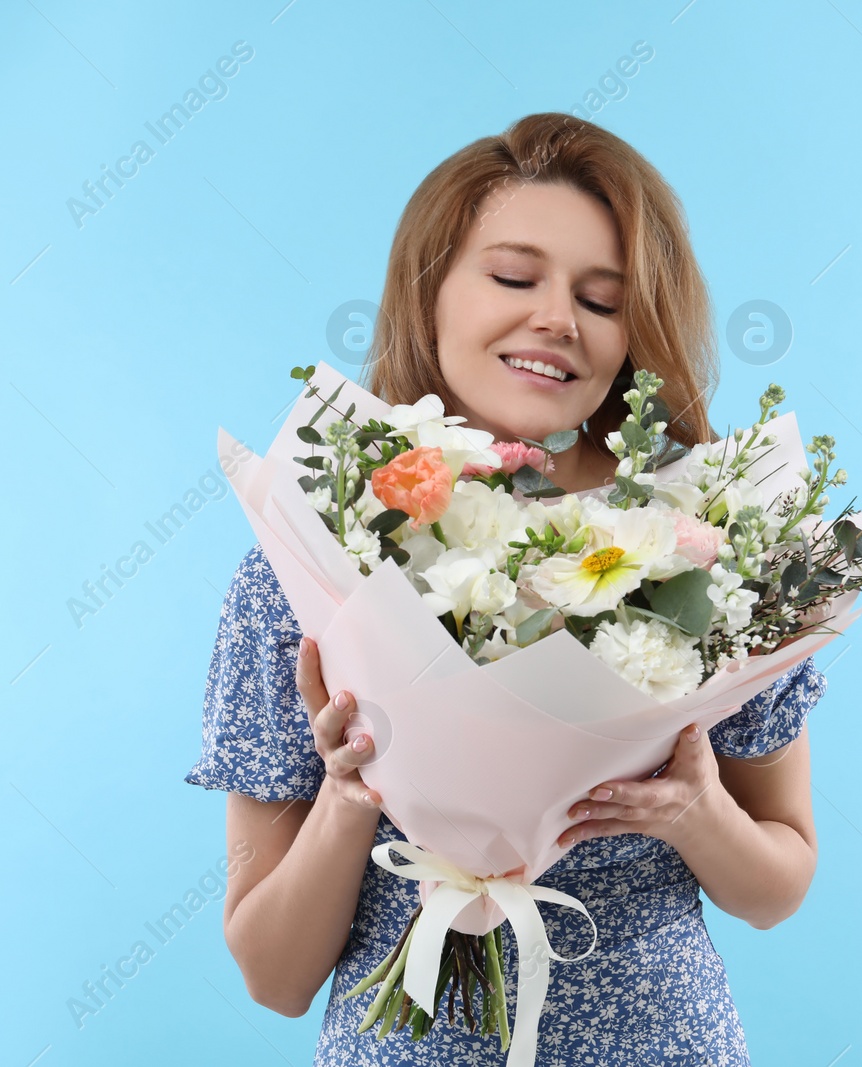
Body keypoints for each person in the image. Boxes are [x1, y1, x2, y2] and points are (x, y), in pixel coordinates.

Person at [185, 113, 828, 1066]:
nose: (558, 319)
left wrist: (697, 810)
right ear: (430, 292)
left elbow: (777, 887)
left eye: (603, 301)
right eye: (514, 277)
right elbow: (274, 977)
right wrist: (351, 791)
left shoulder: (712, 556)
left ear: (633, 338)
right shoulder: (306, 563)